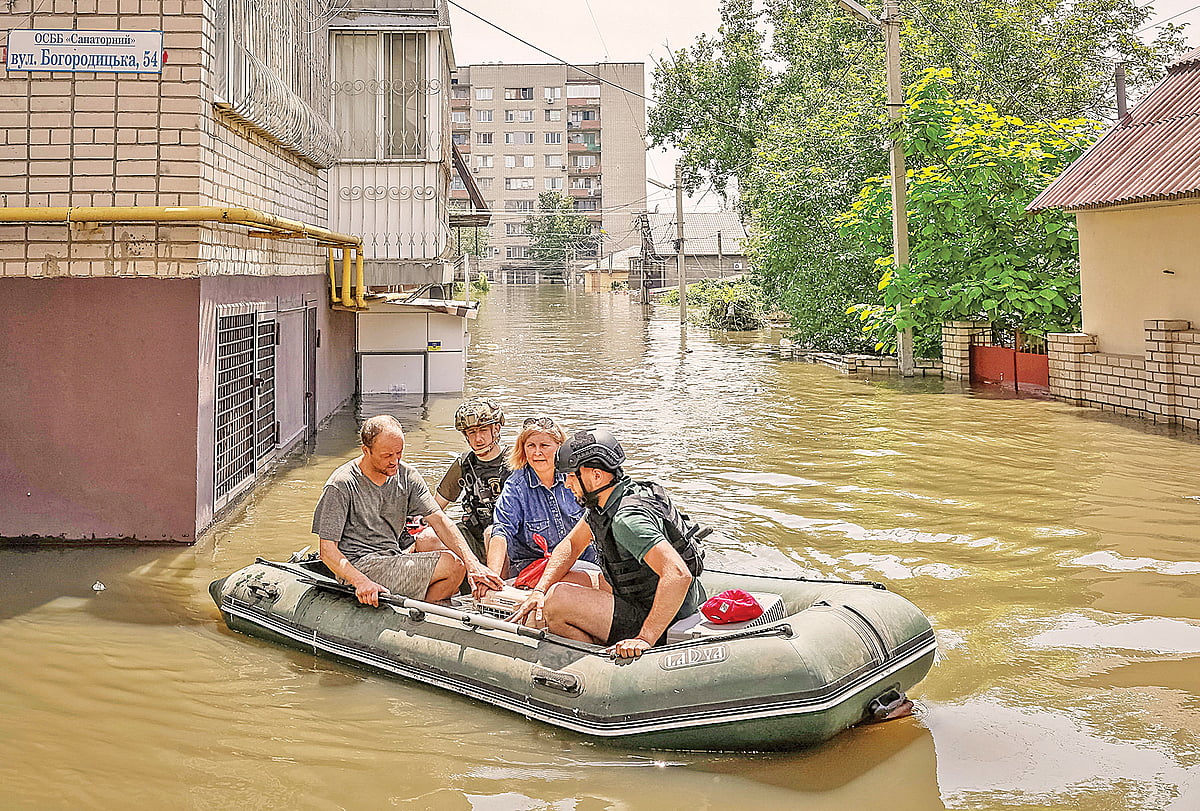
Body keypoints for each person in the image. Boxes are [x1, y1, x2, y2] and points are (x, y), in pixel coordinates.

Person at [510, 428, 708, 659]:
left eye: (572, 476)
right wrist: (539, 590)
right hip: (649, 600)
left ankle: (600, 664)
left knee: (557, 602)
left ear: (596, 476)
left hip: (662, 618)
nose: (566, 484)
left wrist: (645, 638)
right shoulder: (614, 498)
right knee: (564, 586)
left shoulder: (626, 520)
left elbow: (677, 574)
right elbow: (572, 545)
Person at [313, 414, 504, 606]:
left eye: (399, 453)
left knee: (456, 561)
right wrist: (360, 581)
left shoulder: (407, 476)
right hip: (360, 564)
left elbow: (439, 519)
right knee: (452, 565)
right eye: (387, 455)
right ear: (366, 451)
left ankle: (420, 615)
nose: (395, 461)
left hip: (392, 557)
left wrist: (473, 563)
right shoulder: (341, 484)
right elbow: (327, 550)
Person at [486, 416, 600, 587]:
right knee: (490, 532)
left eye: (544, 446)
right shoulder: (516, 486)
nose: (537, 452)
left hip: (584, 562)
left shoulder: (577, 478)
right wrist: (491, 578)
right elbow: (501, 531)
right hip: (534, 568)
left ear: (560, 447)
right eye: (531, 446)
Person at [429, 397, 511, 563]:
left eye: (483, 431)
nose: (478, 439)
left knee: (493, 534)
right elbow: (435, 508)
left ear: (496, 429)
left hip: (508, 540)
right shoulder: (464, 464)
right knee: (427, 539)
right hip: (473, 537)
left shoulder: (514, 461)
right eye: (472, 432)